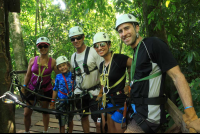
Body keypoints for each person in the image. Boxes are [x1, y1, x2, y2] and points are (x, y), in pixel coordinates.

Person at [115, 13, 200, 133]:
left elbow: (177, 76)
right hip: (138, 112)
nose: (123, 33)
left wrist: (190, 113)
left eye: (127, 28)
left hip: (148, 117)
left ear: (137, 28)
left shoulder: (152, 44)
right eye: (120, 31)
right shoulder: (137, 52)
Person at [93, 32, 132, 133]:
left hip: (120, 102)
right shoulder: (101, 65)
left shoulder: (119, 59)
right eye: (96, 46)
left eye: (102, 44)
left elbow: (135, 64)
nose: (99, 48)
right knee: (109, 130)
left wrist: (130, 82)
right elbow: (104, 83)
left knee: (119, 130)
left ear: (109, 45)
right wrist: (100, 94)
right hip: (108, 102)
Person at [69, 26, 104, 133]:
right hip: (80, 92)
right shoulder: (73, 57)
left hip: (95, 93)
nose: (76, 41)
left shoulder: (94, 52)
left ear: (83, 37)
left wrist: (102, 92)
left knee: (97, 120)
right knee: (83, 117)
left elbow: (103, 71)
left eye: (78, 37)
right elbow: (73, 75)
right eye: (73, 39)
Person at [22, 37, 59, 133]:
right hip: (31, 89)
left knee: (45, 111)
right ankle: (26, 131)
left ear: (48, 46)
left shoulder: (53, 62)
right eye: (40, 46)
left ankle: (45, 131)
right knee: (26, 113)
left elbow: (59, 76)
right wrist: (24, 87)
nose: (43, 48)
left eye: (45, 46)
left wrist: (58, 84)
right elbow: (28, 75)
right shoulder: (32, 60)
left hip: (46, 90)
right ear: (38, 48)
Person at [49, 56, 74, 133]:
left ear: (68, 65)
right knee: (61, 121)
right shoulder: (58, 77)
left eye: (64, 65)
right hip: (61, 101)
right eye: (60, 67)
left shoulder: (73, 75)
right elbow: (55, 89)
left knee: (70, 120)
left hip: (71, 100)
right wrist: (52, 101)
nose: (62, 68)